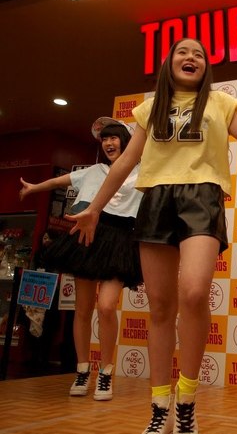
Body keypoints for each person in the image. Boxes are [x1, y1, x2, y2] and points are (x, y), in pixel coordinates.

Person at [67, 37, 237, 434]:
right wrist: (94, 207)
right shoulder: (149, 110)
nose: (192, 57)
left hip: (202, 197)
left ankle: (187, 400)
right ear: (169, 63)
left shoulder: (220, 103)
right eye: (183, 52)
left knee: (193, 292)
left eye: (199, 54)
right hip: (157, 198)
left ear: (206, 67)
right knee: (160, 308)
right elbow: (126, 161)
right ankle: (160, 406)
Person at [19, 118, 143, 401]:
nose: (109, 143)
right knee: (83, 309)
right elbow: (60, 181)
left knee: (107, 306)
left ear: (127, 141)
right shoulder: (94, 170)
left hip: (120, 240)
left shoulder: (142, 172)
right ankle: (83, 370)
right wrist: (33, 188)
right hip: (87, 236)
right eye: (105, 139)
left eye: (114, 137)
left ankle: (106, 373)